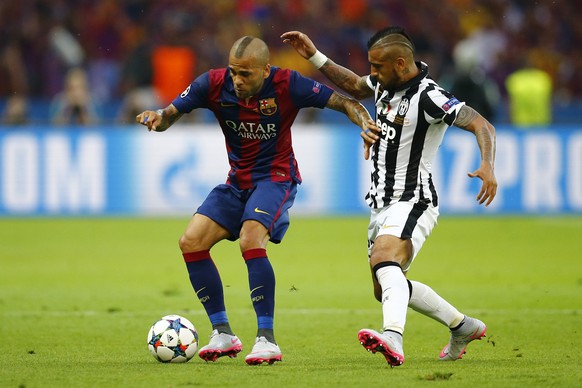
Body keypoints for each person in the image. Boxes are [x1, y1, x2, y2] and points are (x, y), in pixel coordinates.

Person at [136, 36, 377, 365]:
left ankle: (267, 339)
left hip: (276, 179)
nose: (237, 80)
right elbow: (169, 115)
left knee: (251, 238)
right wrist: (156, 118)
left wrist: (366, 123)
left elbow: (347, 103)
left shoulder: (288, 84)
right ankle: (222, 333)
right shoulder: (212, 83)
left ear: (266, 70)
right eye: (234, 72)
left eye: (246, 74)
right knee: (191, 242)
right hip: (237, 183)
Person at [282, 27, 497, 366]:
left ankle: (393, 339)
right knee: (386, 286)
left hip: (414, 198)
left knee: (385, 258)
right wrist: (313, 54)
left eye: (378, 67)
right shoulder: (386, 82)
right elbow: (354, 84)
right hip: (381, 202)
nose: (373, 74)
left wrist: (487, 163)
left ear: (400, 64)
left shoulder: (430, 97)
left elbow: (482, 124)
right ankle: (463, 326)